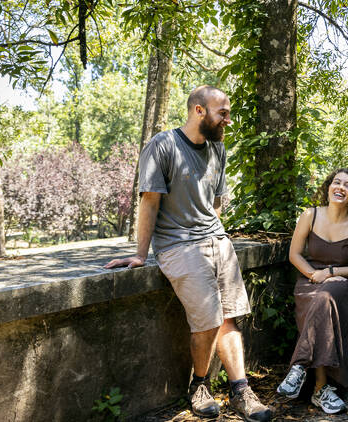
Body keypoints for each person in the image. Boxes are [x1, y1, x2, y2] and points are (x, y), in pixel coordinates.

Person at [104, 86, 272, 422]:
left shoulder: (218, 148)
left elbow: (216, 204)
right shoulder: (162, 145)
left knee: (229, 318)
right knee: (207, 320)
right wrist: (140, 254)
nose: (228, 119)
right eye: (222, 112)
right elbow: (149, 201)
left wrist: (215, 237)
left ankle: (241, 390)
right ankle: (200, 384)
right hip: (177, 244)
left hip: (216, 241)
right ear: (198, 110)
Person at [276, 169, 348, 414]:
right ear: (328, 187)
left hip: (343, 284)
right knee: (319, 301)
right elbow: (294, 255)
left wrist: (330, 273)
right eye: (337, 182)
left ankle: (299, 366)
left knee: (324, 297)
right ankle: (320, 390)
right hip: (310, 281)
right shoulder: (309, 216)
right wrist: (314, 275)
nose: (341, 188)